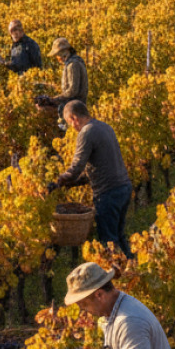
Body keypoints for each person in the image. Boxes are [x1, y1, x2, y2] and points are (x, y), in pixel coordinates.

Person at [48, 101, 133, 257]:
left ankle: (116, 277)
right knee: (119, 236)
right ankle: (133, 270)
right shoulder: (104, 127)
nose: (72, 127)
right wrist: (73, 184)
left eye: (69, 123)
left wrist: (60, 180)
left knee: (109, 241)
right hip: (124, 188)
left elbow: (76, 167)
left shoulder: (86, 133)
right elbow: (99, 166)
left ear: (74, 118)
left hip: (108, 194)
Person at [37, 37, 88, 115]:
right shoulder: (75, 62)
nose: (57, 58)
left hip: (74, 109)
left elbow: (72, 91)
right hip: (75, 106)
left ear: (64, 52)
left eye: (58, 55)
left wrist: (53, 100)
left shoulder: (73, 65)